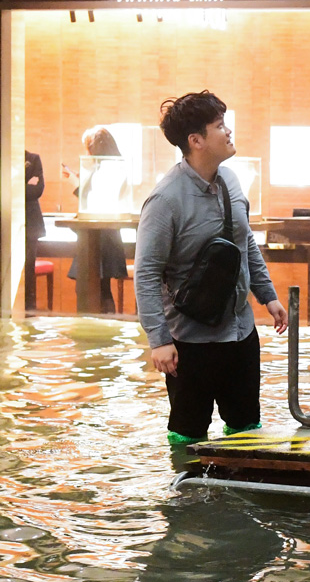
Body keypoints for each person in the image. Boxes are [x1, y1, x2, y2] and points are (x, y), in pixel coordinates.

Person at [135, 91, 288, 446]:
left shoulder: (232, 182)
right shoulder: (165, 200)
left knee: (247, 428)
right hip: (191, 341)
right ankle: (185, 499)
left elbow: (244, 242)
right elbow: (145, 273)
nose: (229, 131)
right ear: (196, 140)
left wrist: (268, 296)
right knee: (187, 436)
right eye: (220, 126)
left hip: (241, 332)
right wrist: (159, 341)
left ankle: (244, 494)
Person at [65, 127, 131, 313]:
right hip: (103, 233)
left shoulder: (109, 167)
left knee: (95, 289)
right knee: (100, 288)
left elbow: (97, 202)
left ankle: (100, 334)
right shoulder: (109, 166)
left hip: (101, 235)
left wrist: (77, 185)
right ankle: (104, 333)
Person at [24, 151, 46, 311]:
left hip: (31, 224)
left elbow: (37, 190)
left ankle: (29, 308)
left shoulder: (32, 159)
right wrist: (25, 182)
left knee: (28, 265)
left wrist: (16, 186)